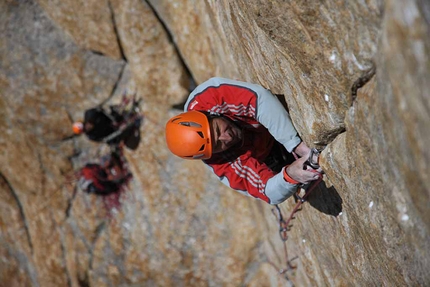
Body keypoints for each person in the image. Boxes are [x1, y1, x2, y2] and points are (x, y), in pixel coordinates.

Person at [165, 77, 322, 205]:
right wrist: (290, 176)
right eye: (218, 145)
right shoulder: (222, 164)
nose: (226, 138)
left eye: (218, 130)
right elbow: (267, 192)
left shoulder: (209, 98)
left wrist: (295, 144)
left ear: (210, 115)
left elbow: (260, 100)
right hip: (271, 157)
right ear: (211, 154)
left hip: (271, 126)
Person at [73, 99, 142, 150]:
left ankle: (131, 110)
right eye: (85, 129)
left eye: (85, 124)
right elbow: (107, 138)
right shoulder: (92, 136)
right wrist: (119, 131)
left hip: (111, 118)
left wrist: (117, 107)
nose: (87, 126)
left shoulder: (89, 114)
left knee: (118, 113)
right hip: (113, 131)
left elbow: (102, 108)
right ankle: (135, 121)